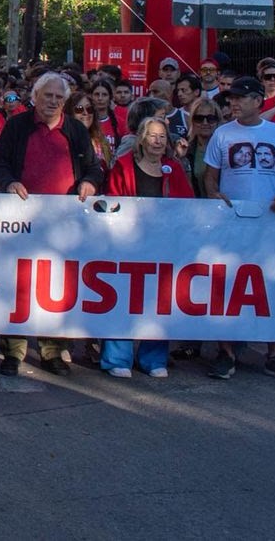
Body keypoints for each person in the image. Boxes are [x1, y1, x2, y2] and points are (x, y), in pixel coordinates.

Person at [0, 72, 105, 377]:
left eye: (58, 97)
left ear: (65, 101)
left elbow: (94, 168)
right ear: (35, 97)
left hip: (63, 222)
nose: (53, 101)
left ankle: (52, 350)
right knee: (19, 285)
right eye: (47, 96)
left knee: (56, 287)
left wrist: (90, 183)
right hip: (21, 219)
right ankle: (13, 351)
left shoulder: (76, 130)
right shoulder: (16, 126)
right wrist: (10, 182)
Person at [201, 75, 275, 383]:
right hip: (233, 224)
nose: (233, 102)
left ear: (258, 101)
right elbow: (210, 178)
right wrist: (215, 197)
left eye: (240, 98)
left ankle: (273, 353)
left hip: (270, 224)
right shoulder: (221, 134)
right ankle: (226, 351)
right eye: (231, 98)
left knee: (271, 287)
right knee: (228, 285)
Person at [101, 116, 193, 379]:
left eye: (162, 137)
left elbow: (186, 204)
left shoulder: (173, 169)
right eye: (152, 135)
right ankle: (117, 357)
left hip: (163, 246)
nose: (158, 141)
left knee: (159, 301)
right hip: (128, 244)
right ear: (141, 138)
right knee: (122, 300)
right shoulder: (124, 165)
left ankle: (153, 358)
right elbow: (114, 200)